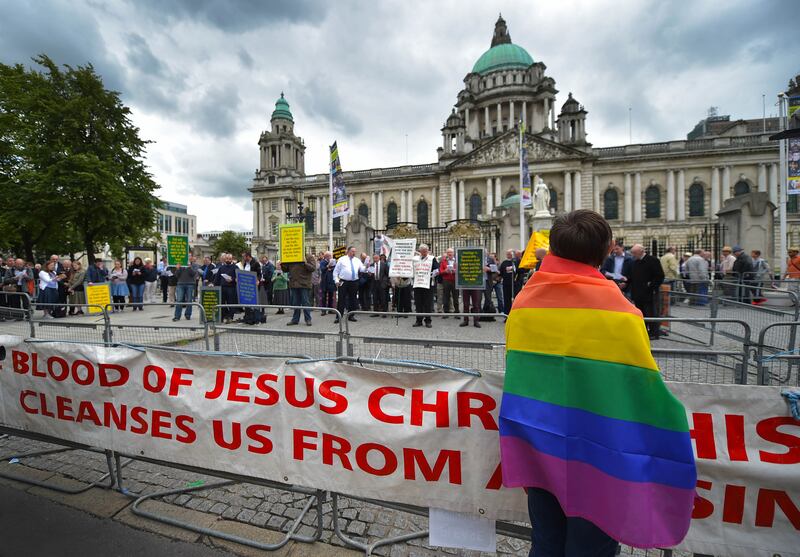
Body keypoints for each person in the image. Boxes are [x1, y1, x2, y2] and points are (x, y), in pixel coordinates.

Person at [499, 209, 696, 556]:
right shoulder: (622, 314)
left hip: (540, 446)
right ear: (606, 250)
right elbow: (641, 390)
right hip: (600, 456)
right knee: (591, 548)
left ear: (555, 248)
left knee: (545, 542)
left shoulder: (524, 303)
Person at [629, 244, 664, 339]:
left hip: (649, 293)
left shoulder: (653, 260)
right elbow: (632, 277)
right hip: (638, 293)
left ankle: (654, 333)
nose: (633, 255)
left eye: (634, 253)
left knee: (651, 313)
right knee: (642, 313)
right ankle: (645, 332)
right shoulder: (635, 262)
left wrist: (651, 286)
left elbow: (659, 276)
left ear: (641, 251)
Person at [281, 253, 316, 326]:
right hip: (294, 283)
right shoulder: (292, 256)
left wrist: (305, 263)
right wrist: (283, 263)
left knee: (305, 302)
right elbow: (285, 269)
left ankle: (308, 319)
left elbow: (313, 268)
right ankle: (295, 319)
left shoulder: (308, 257)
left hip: (304, 284)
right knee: (295, 303)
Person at [333, 246, 364, 323]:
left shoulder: (357, 260)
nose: (354, 253)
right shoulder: (342, 259)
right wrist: (336, 280)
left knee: (353, 299)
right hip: (343, 281)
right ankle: (339, 316)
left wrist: (367, 266)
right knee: (341, 299)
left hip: (354, 281)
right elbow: (335, 271)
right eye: (353, 251)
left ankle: (351, 315)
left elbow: (362, 269)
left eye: (355, 251)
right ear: (348, 251)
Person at [412, 244, 437, 328]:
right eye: (422, 251)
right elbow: (411, 268)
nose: (424, 253)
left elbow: (437, 269)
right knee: (418, 303)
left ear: (428, 251)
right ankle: (418, 320)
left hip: (428, 284)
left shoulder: (432, 259)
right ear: (420, 251)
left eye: (425, 251)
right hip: (417, 284)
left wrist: (433, 274)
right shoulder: (415, 259)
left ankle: (428, 321)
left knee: (428, 303)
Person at [213, 253, 239, 323]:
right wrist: (213, 284)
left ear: (232, 259)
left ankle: (230, 317)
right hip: (222, 287)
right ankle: (224, 315)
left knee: (231, 303)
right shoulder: (222, 267)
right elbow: (217, 278)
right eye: (227, 259)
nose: (228, 260)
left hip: (231, 287)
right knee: (222, 303)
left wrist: (232, 279)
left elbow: (238, 277)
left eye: (230, 259)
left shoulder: (235, 267)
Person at [438, 248, 459, 316]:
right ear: (447, 254)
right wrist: (445, 271)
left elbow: (461, 269)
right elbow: (440, 271)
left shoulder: (457, 260)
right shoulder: (443, 261)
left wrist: (455, 271)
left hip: (455, 280)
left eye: (451, 252)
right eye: (448, 252)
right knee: (446, 296)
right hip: (446, 280)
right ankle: (446, 312)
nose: (450, 254)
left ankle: (457, 312)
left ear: (453, 253)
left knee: (455, 297)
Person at [498, 250, 516, 314]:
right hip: (506, 283)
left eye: (509, 254)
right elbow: (501, 273)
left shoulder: (515, 262)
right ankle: (506, 314)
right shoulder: (504, 263)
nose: (508, 255)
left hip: (514, 284)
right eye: (507, 254)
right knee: (506, 299)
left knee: (514, 299)